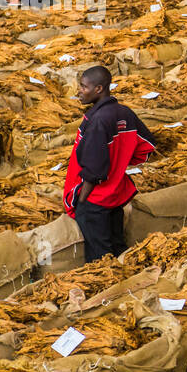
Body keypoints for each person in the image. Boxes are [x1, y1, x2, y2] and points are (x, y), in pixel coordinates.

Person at [63, 65, 156, 263]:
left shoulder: (99, 120)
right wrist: (120, 161)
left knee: (101, 258)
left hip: (95, 199)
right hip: (115, 194)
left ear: (98, 89)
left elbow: (94, 168)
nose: (79, 91)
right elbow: (147, 145)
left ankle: (108, 290)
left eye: (83, 87)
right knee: (117, 246)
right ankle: (125, 282)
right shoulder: (124, 113)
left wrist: (82, 202)